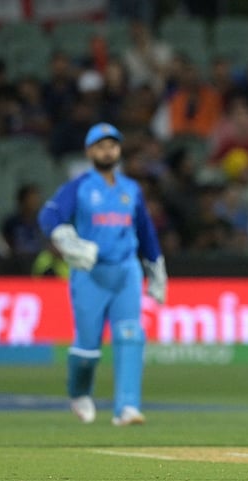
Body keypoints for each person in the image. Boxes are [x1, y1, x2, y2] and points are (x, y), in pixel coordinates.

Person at [38, 122, 168, 426]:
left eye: (112, 145)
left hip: (126, 271)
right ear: (90, 151)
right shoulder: (80, 185)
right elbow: (49, 214)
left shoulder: (131, 189)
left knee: (130, 335)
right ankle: (79, 392)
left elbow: (146, 232)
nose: (107, 150)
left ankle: (127, 407)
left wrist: (156, 267)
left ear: (119, 150)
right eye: (100, 145)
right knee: (87, 348)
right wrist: (64, 236)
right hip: (90, 274)